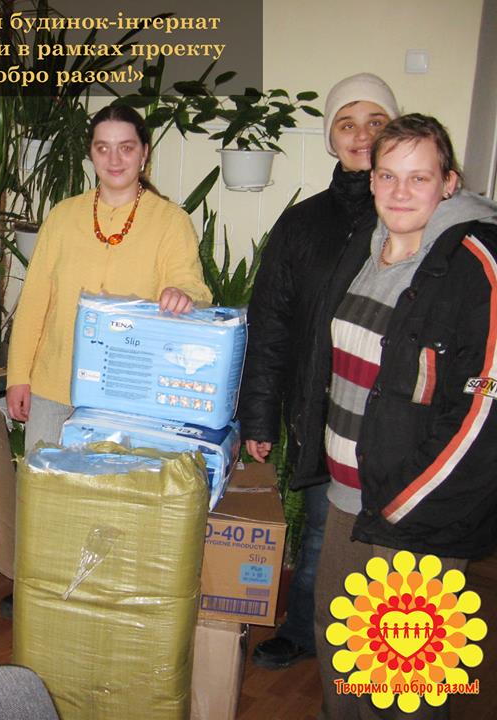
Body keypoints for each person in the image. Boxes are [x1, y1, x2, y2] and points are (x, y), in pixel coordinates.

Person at [295, 114, 497, 719]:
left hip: (414, 508)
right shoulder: (366, 246)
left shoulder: (473, 269)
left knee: (402, 684)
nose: (400, 192)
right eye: (387, 175)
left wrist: (406, 504)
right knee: (340, 649)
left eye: (419, 177)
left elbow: (482, 409)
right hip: (346, 496)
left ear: (449, 183)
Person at [238, 73, 399, 669]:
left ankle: (385, 651)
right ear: (331, 138)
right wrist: (259, 417)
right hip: (324, 412)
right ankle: (307, 631)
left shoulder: (416, 218)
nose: (361, 135)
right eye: (346, 124)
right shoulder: (301, 225)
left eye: (376, 122)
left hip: (397, 419)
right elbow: (271, 325)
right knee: (322, 531)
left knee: (395, 545)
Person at [7, 104, 212, 451]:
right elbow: (34, 303)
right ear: (91, 153)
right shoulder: (62, 217)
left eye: (126, 148)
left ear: (144, 153)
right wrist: (17, 377)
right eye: (103, 148)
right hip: (53, 388)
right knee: (43, 483)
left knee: (111, 486)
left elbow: (191, 284)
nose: (114, 159)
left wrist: (182, 293)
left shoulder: (170, 221)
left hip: (129, 393)